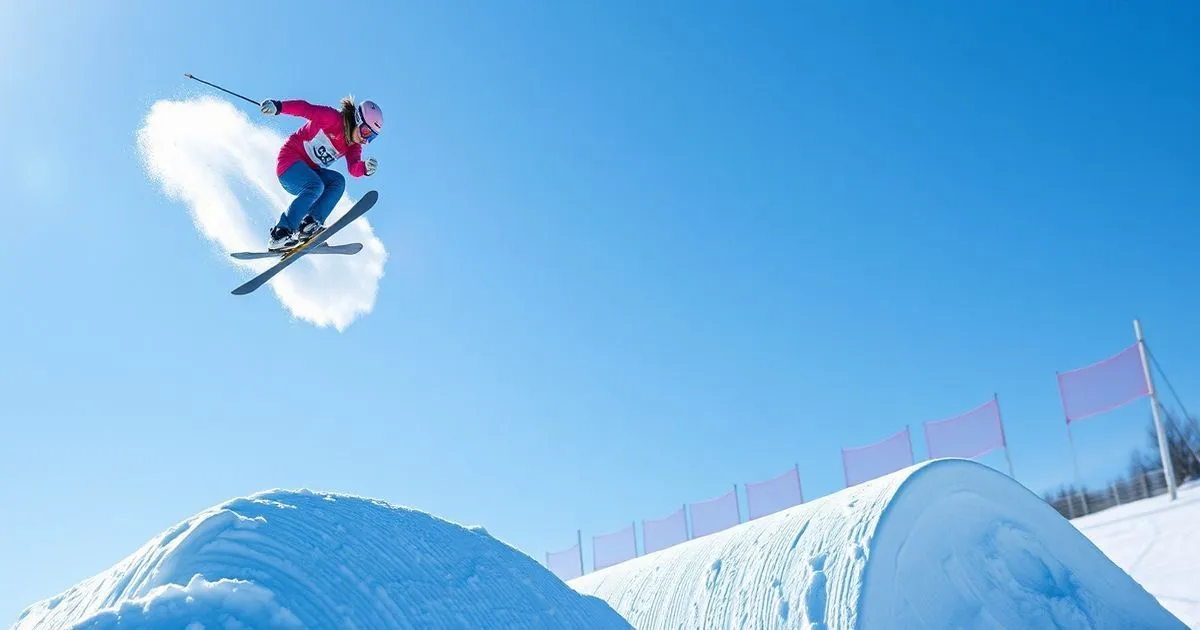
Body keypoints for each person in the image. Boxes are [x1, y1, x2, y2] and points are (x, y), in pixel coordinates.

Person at [259, 96, 382, 250]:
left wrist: (365, 168)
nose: (366, 140)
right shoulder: (332, 118)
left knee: (338, 182)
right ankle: (280, 233)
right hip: (289, 164)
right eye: (366, 132)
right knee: (316, 185)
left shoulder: (353, 145)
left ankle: (309, 224)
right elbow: (305, 109)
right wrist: (278, 107)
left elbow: (353, 169)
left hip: (310, 173)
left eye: (372, 137)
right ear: (357, 119)